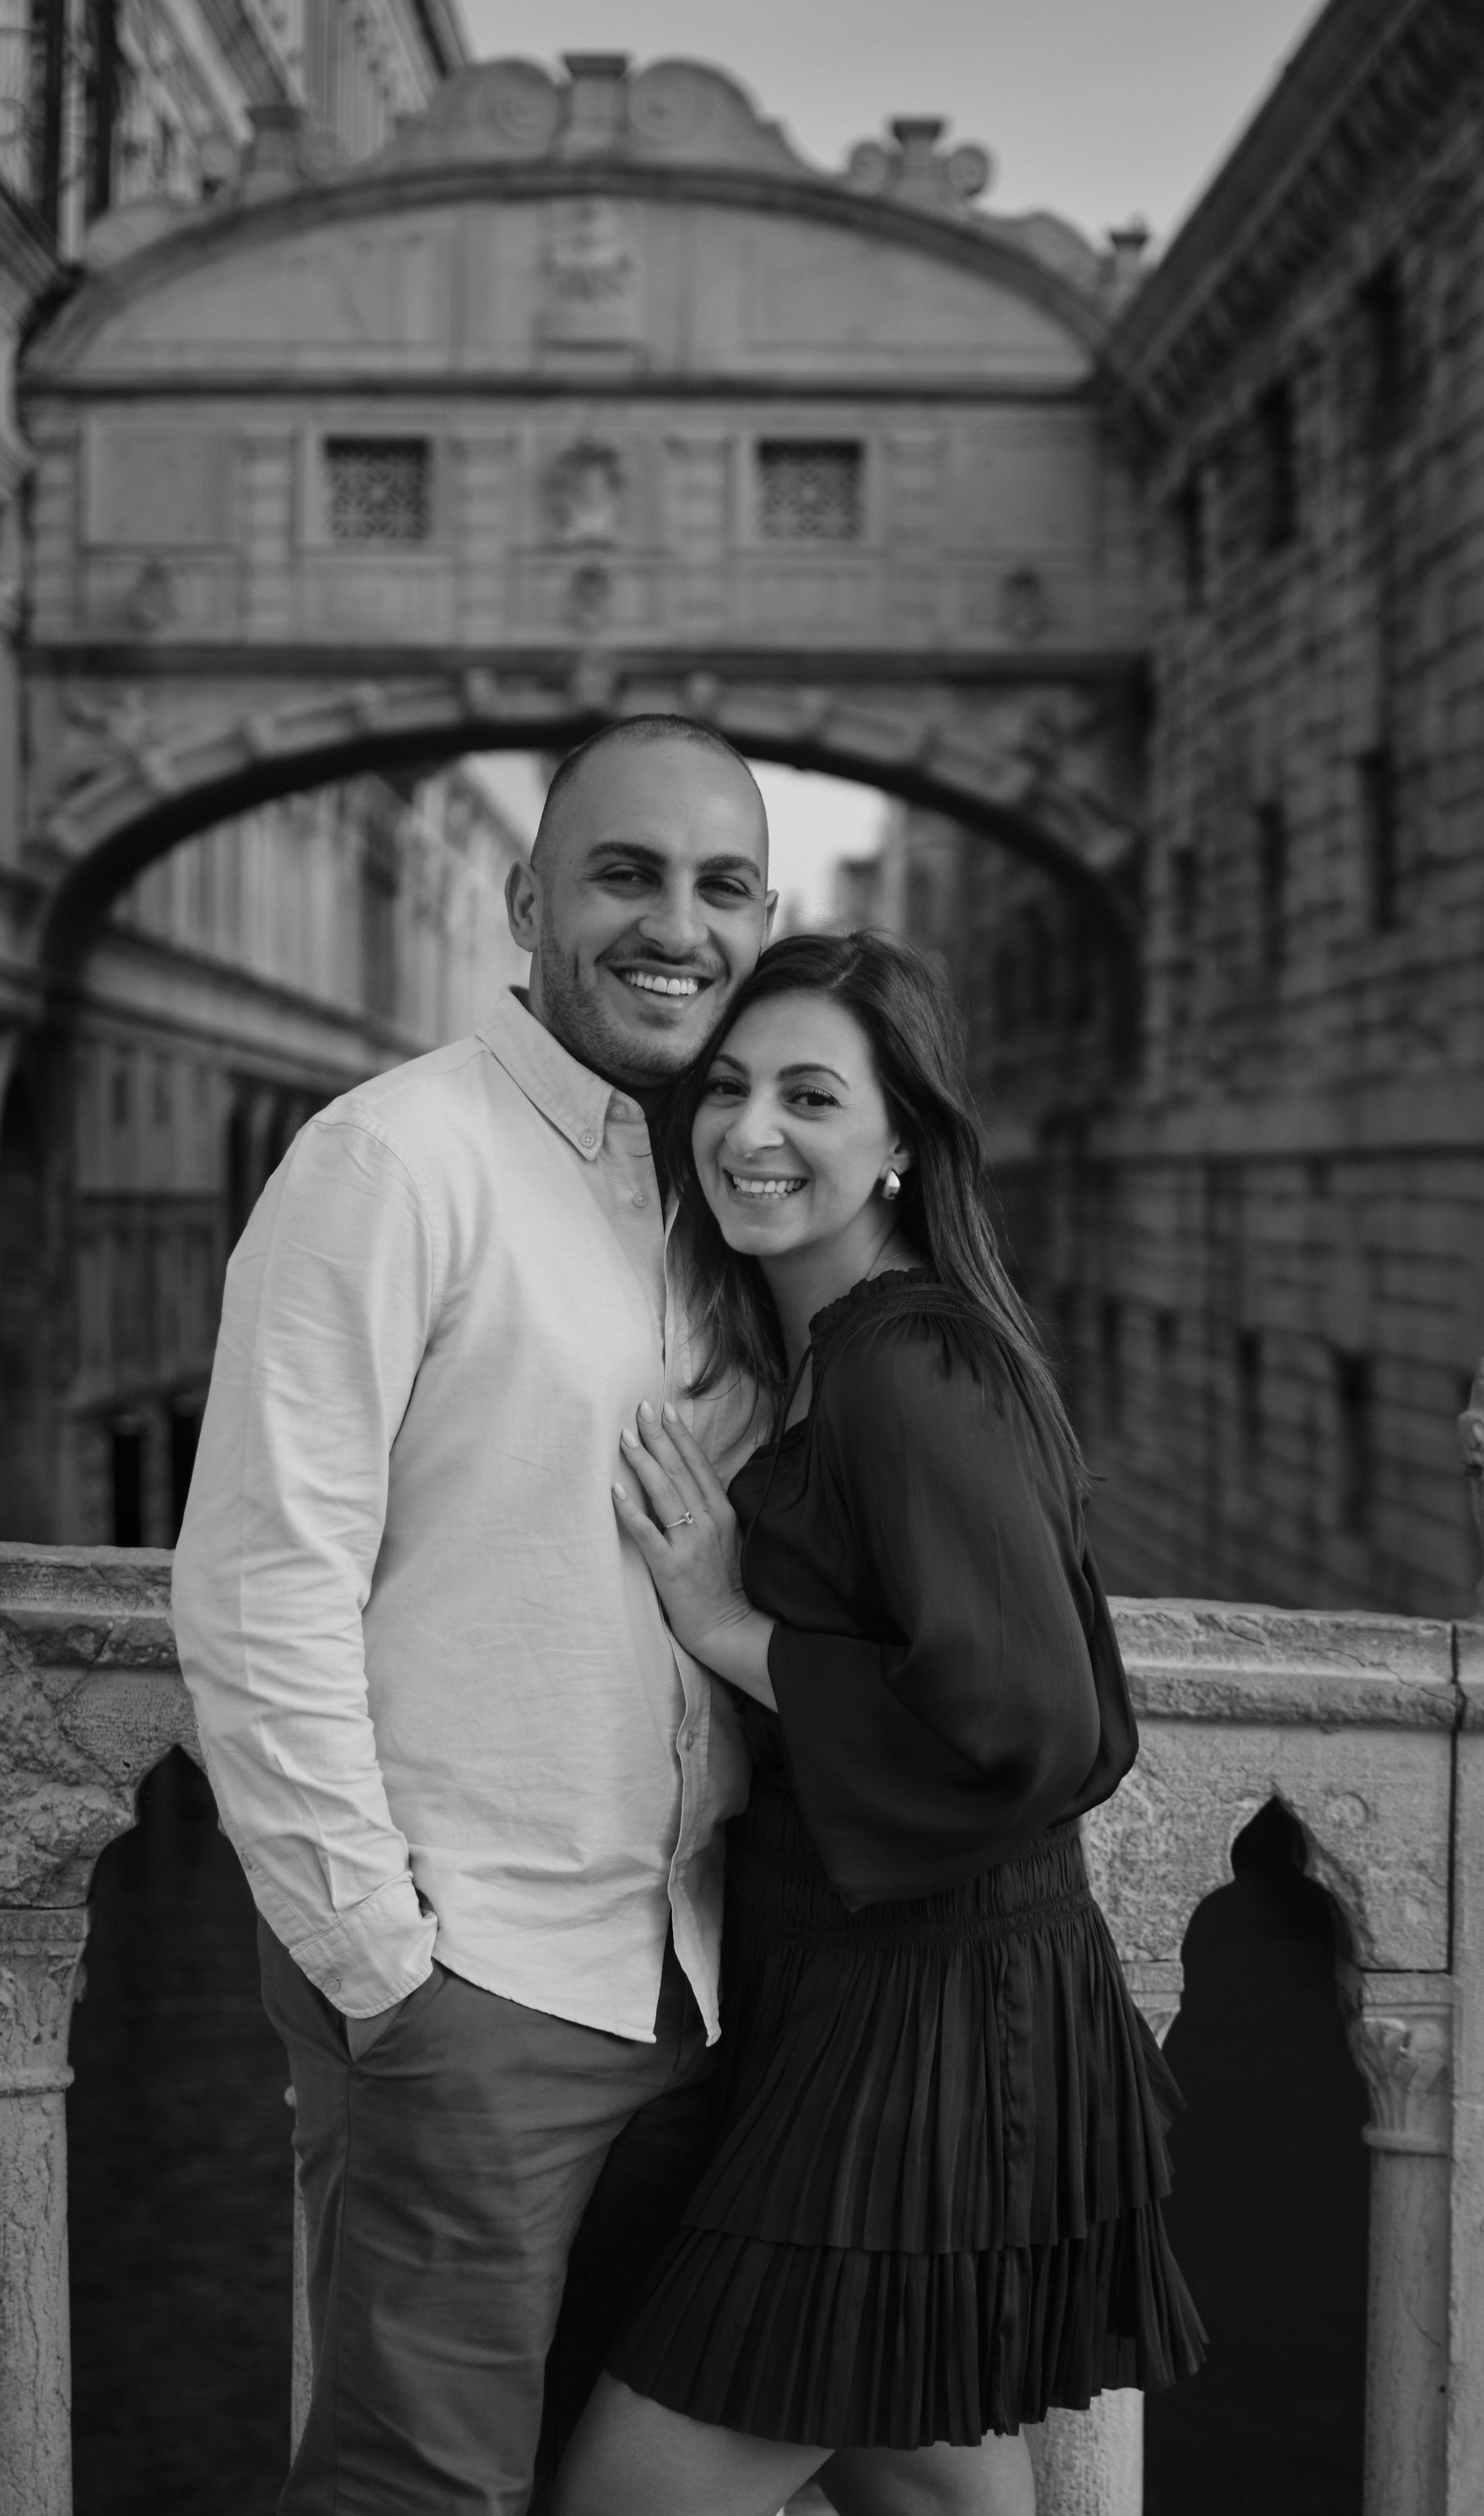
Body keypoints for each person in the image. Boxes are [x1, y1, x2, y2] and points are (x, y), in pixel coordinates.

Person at [172, 716, 776, 2516]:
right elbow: (261, 1577)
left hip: (699, 1987)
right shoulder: (390, 1160)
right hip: (478, 1985)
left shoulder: (711, 1194)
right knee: (422, 2496)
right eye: (626, 875)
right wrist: (382, 1970)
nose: (679, 926)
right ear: (525, 902)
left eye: (723, 886)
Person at [552, 930, 1205, 2516]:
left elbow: (1042, 1725)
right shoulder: (839, 1352)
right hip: (886, 2011)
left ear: (900, 1143)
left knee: (626, 2501)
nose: (749, 1130)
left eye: (808, 1095)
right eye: (725, 1085)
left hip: (923, 2039)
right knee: (929, 2491)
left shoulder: (902, 1362)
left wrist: (727, 1624)